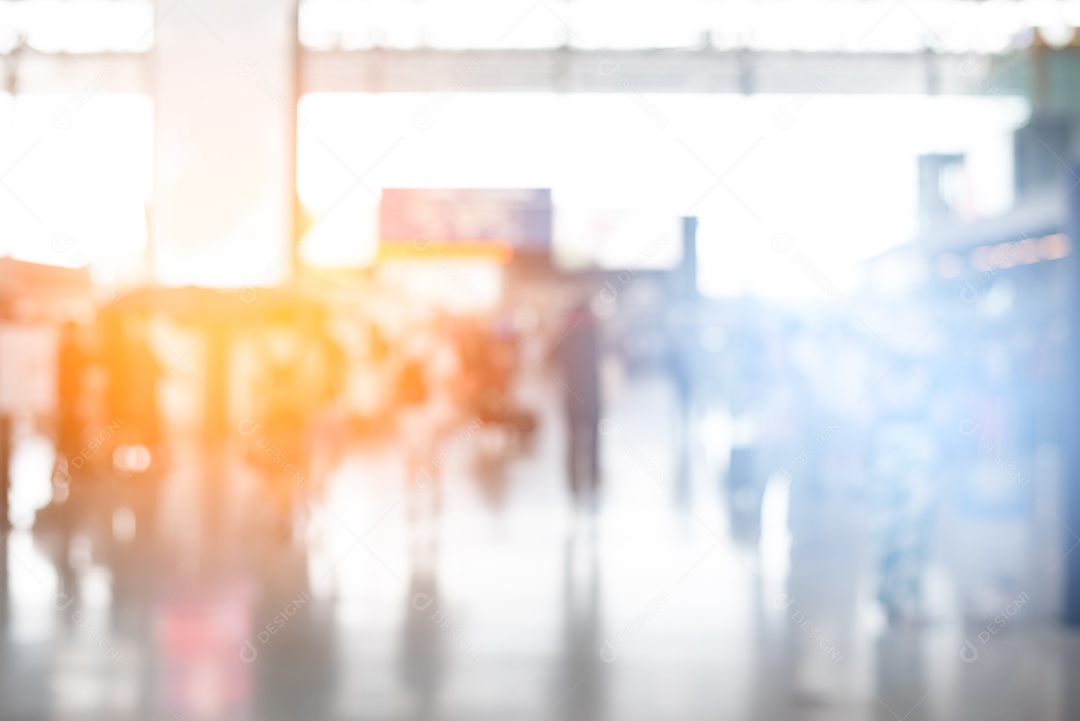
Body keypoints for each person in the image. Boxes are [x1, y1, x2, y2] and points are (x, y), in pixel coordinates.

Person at [552, 301, 602, 509]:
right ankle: (574, 483)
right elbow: (550, 359)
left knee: (594, 442)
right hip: (573, 398)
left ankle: (592, 479)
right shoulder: (566, 337)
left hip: (591, 397)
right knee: (573, 442)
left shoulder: (594, 335)